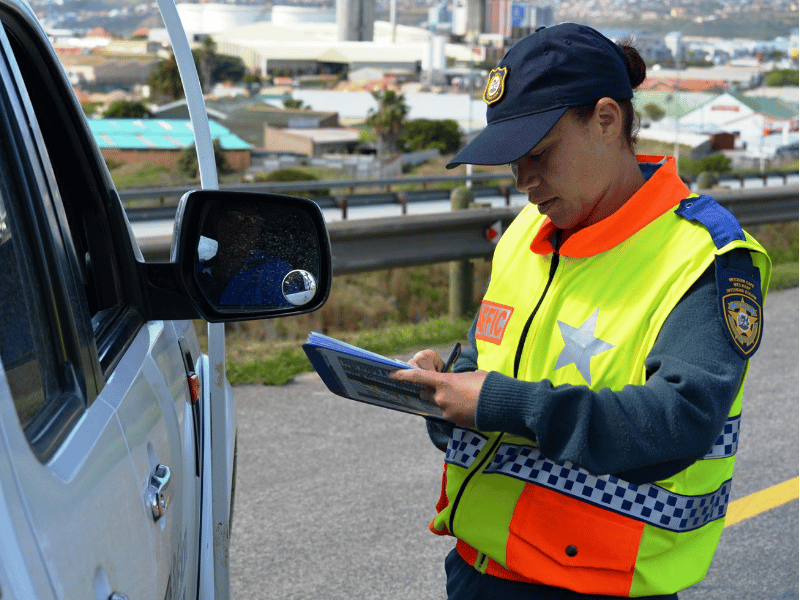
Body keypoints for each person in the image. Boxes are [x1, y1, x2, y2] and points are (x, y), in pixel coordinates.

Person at [391, 23, 771, 600]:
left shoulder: (706, 255)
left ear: (606, 120)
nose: (524, 183)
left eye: (539, 154)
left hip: (595, 584)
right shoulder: (527, 232)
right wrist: (443, 391)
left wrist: (495, 401)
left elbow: (681, 421)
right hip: (478, 566)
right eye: (512, 163)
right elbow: (484, 367)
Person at [196, 202, 293, 307]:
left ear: (259, 233)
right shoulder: (196, 270)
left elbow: (287, 318)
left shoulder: (276, 271)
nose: (245, 224)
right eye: (236, 216)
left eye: (254, 220)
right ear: (217, 223)